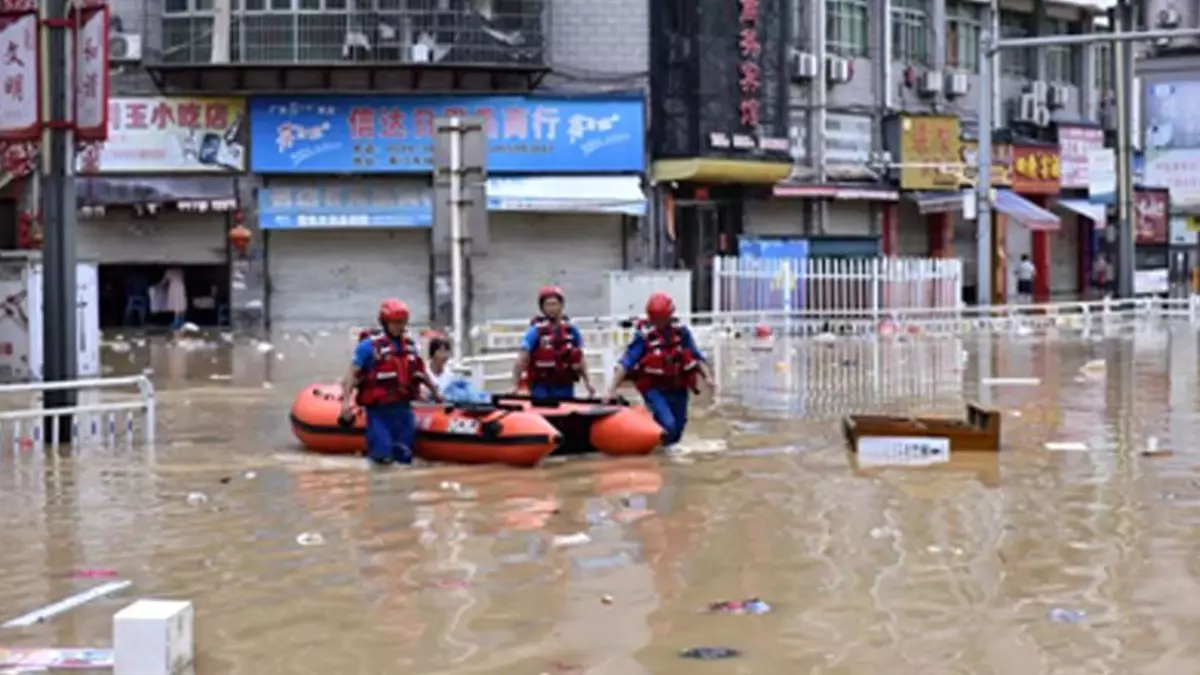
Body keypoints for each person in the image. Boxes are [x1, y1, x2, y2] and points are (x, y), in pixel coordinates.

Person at [340, 299, 441, 466]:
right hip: (379, 412)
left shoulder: (409, 345)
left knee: (404, 458)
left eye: (402, 322)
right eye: (395, 323)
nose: (399, 326)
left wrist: (436, 393)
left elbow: (420, 372)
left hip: (404, 410)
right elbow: (351, 374)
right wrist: (345, 403)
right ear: (385, 322)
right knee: (383, 458)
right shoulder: (368, 347)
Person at [605, 292, 712, 446]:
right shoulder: (644, 336)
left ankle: (664, 454)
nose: (658, 322)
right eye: (655, 318)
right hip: (654, 388)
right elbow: (626, 363)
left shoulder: (682, 333)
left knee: (678, 430)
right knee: (668, 424)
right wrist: (611, 389)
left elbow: (696, 356)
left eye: (661, 318)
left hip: (678, 386)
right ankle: (657, 447)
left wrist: (708, 377)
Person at [512, 285, 595, 400]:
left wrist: (588, 382)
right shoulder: (536, 331)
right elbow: (522, 357)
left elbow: (580, 358)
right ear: (542, 308)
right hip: (541, 385)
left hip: (564, 384)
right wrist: (515, 385)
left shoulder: (571, 329)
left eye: (554, 304)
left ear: (561, 305)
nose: (552, 308)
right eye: (548, 304)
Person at [424, 333, 488, 403]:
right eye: (441, 351)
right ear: (432, 354)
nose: (444, 356)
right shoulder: (423, 371)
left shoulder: (450, 375)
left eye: (446, 352)